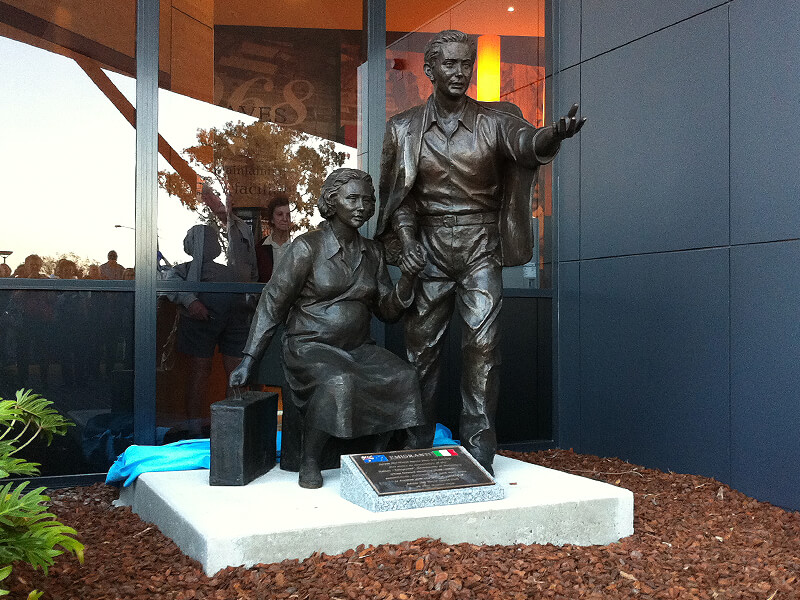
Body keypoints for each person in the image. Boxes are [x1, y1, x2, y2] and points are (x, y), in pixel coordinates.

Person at [375, 30, 585, 474]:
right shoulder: (403, 127)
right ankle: (416, 444)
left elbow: (529, 145)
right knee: (421, 352)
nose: (459, 72)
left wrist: (554, 137)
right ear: (429, 70)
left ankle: (479, 447)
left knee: (483, 346)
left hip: (479, 247)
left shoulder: (494, 121)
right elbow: (400, 198)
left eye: (465, 64)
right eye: (449, 64)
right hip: (428, 248)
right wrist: (409, 243)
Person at [229, 168, 427, 489]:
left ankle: (381, 452)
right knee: (339, 381)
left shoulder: (373, 252)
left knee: (403, 376)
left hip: (359, 349)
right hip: (310, 347)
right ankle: (310, 459)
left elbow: (388, 311)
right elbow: (272, 303)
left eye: (367, 199)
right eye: (353, 198)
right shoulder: (307, 247)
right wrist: (249, 360)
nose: (362, 206)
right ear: (333, 202)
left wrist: (408, 277)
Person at [165, 225, 252, 437]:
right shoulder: (182, 271)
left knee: (236, 374)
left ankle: (233, 428)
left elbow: (246, 291)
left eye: (210, 238)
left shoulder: (230, 272)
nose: (206, 243)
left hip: (234, 323)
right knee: (199, 372)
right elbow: (170, 284)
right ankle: (195, 428)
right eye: (202, 239)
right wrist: (191, 301)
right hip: (198, 323)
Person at [255, 195, 293, 282]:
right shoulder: (259, 249)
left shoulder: (297, 248)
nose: (285, 219)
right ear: (271, 219)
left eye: (288, 215)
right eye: (280, 214)